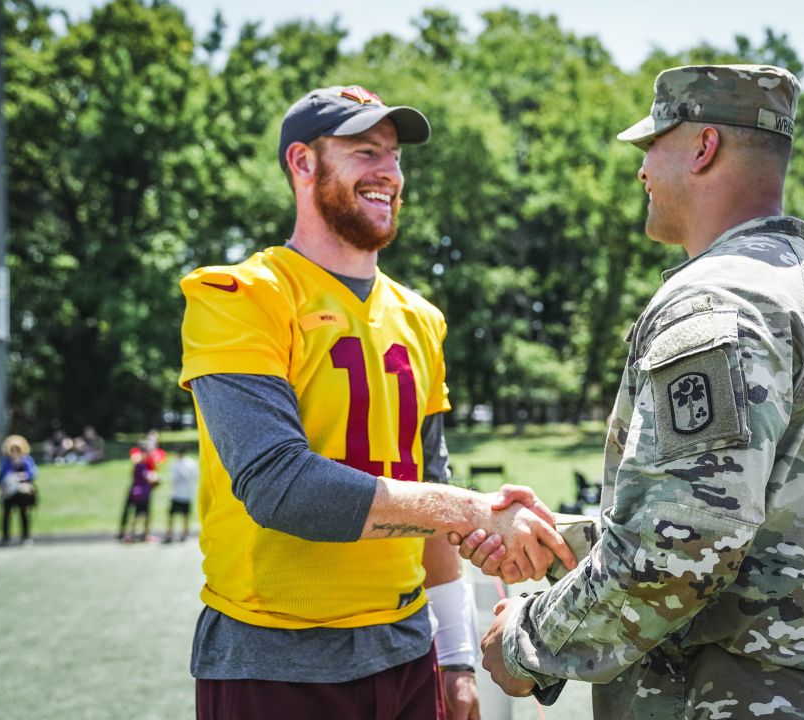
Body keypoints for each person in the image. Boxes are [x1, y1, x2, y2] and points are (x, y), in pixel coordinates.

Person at [472, 64, 804, 718]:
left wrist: (528, 640)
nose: (642, 169)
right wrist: (566, 543)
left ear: (703, 148)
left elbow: (682, 546)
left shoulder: (719, 297)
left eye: (652, 145)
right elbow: (756, 514)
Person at [177, 83, 575, 720]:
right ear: (303, 163)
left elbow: (430, 489)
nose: (389, 172)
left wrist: (456, 658)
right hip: (274, 657)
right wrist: (477, 510)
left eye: (394, 156)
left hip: (406, 651)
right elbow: (281, 487)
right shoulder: (240, 296)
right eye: (365, 152)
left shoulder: (421, 318)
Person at [0, 434, 38, 546]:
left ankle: (25, 537)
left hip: (23, 493)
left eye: (17, 449)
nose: (15, 451)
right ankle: (5, 538)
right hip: (9, 492)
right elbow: (0, 477)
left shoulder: (26, 460)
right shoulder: (6, 461)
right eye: (12, 449)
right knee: (6, 515)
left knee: (24, 514)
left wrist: (23, 475)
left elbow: (33, 473)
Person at [122, 448, 161, 543]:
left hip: (142, 493)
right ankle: (132, 535)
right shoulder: (140, 466)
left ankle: (142, 534)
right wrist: (156, 479)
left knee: (144, 515)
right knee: (139, 515)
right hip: (141, 494)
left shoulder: (143, 466)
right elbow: (148, 478)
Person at [164, 447, 198, 543]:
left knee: (182, 515)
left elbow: (173, 479)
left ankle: (180, 533)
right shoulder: (187, 463)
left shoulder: (183, 464)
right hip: (180, 494)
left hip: (182, 494)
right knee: (179, 515)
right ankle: (175, 533)